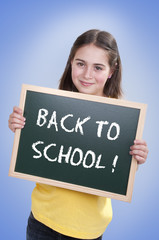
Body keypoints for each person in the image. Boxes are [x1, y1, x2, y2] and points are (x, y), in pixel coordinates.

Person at [8, 29, 149, 240]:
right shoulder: (49, 107)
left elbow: (113, 173)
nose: (87, 75)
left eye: (98, 67)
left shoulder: (123, 120)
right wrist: (20, 126)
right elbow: (36, 154)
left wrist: (135, 159)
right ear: (70, 63)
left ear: (112, 70)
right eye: (80, 63)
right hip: (41, 220)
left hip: (87, 230)